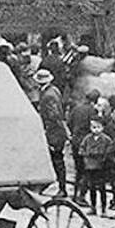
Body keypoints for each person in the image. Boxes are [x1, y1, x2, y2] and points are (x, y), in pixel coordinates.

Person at [33, 69, 69, 197]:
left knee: (57, 160)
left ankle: (62, 189)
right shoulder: (53, 90)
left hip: (54, 132)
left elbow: (54, 116)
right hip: (55, 131)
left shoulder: (48, 95)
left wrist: (47, 132)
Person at [69, 89, 101, 203]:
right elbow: (94, 127)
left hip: (75, 142)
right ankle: (81, 196)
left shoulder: (76, 108)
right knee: (87, 171)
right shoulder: (93, 111)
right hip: (86, 144)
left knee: (78, 170)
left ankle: (74, 194)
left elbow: (69, 123)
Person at [78, 118, 111, 215]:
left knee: (102, 188)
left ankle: (104, 209)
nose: (96, 129)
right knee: (92, 187)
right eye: (94, 127)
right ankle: (93, 207)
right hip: (90, 166)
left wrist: (104, 158)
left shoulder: (106, 139)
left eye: (98, 127)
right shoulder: (87, 139)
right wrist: (86, 156)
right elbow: (81, 149)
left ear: (102, 128)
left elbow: (109, 151)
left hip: (101, 167)